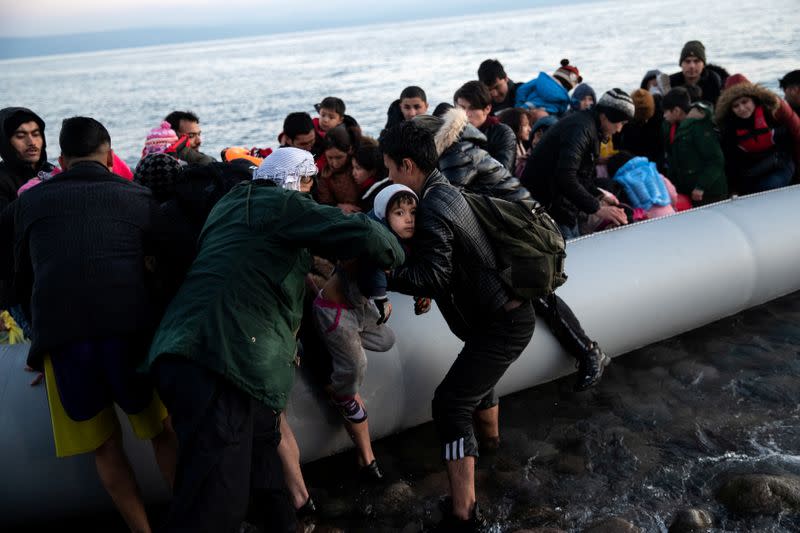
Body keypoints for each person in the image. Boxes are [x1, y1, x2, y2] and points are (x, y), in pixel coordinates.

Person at [141, 146, 405, 533]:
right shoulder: (279, 203)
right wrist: (397, 254)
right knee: (216, 503)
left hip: (188, 351)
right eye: (307, 181)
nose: (311, 190)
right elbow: (362, 231)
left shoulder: (231, 205)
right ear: (292, 180)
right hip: (222, 361)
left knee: (264, 479)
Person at [7, 116, 177, 533]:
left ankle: (141, 529)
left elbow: (18, 281)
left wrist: (35, 340)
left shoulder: (28, 203)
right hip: (129, 334)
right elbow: (169, 267)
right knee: (163, 432)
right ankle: (192, 520)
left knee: (104, 447)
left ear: (60, 159)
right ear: (109, 153)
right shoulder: (137, 196)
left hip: (65, 342)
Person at [380, 121, 535, 531]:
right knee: (475, 386)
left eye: (391, 170)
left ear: (407, 164)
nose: (390, 180)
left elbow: (432, 275)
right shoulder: (444, 189)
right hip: (497, 317)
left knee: (449, 404)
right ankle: (494, 451)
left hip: (503, 321)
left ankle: (464, 513)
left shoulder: (432, 206)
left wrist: (385, 274)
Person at [312, 183, 417, 481]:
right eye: (399, 213)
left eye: (412, 212)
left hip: (358, 310)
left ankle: (342, 352)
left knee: (387, 339)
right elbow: (374, 275)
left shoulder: (399, 242)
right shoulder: (370, 244)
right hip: (335, 313)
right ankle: (343, 396)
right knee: (356, 365)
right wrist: (381, 300)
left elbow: (399, 272)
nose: (408, 218)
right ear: (384, 216)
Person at [522, 89, 634, 239]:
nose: (619, 129)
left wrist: (598, 195)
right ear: (608, 116)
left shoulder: (589, 126)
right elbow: (565, 177)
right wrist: (598, 208)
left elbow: (580, 175)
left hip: (560, 205)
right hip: (547, 208)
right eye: (621, 122)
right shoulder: (581, 129)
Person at [715, 75, 800, 193]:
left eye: (745, 102)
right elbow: (731, 161)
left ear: (754, 99)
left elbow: (797, 133)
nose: (742, 108)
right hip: (753, 170)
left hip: (781, 164)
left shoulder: (775, 110)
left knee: (769, 186)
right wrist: (733, 190)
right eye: (736, 106)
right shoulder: (729, 128)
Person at [662, 88, 728, 205]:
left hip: (709, 193)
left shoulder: (699, 126)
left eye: (666, 111)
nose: (664, 115)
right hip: (689, 191)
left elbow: (716, 160)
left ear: (676, 111)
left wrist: (701, 186)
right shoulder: (672, 128)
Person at [0, 107, 57, 211]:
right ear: (5, 142)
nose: (32, 142)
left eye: (36, 134)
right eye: (20, 136)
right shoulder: (2, 180)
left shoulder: (51, 171)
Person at [454, 80, 517, 172]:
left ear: (487, 109)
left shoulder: (503, 133)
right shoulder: (451, 134)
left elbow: (502, 173)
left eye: (473, 108)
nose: (466, 114)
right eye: (462, 108)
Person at [315, 124, 362, 212]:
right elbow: (324, 203)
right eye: (330, 158)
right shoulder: (325, 173)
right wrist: (338, 206)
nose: (335, 163)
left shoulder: (361, 166)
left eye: (339, 157)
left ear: (350, 149)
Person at [515, 59, 583, 117]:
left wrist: (519, 105)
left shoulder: (540, 80)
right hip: (547, 116)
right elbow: (562, 112)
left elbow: (522, 89)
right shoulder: (564, 98)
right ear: (570, 86)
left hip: (526, 109)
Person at [668, 40, 723, 106]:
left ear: (703, 65)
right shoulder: (671, 82)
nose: (692, 66)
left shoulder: (714, 81)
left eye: (696, 61)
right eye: (687, 61)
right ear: (681, 64)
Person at [352, 136, 392, 212]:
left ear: (372, 170)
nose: (353, 173)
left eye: (358, 168)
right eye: (352, 167)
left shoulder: (376, 194)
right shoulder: (368, 188)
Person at [498, 107, 533, 177]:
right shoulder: (506, 147)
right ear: (513, 125)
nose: (530, 129)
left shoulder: (520, 142)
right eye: (525, 125)